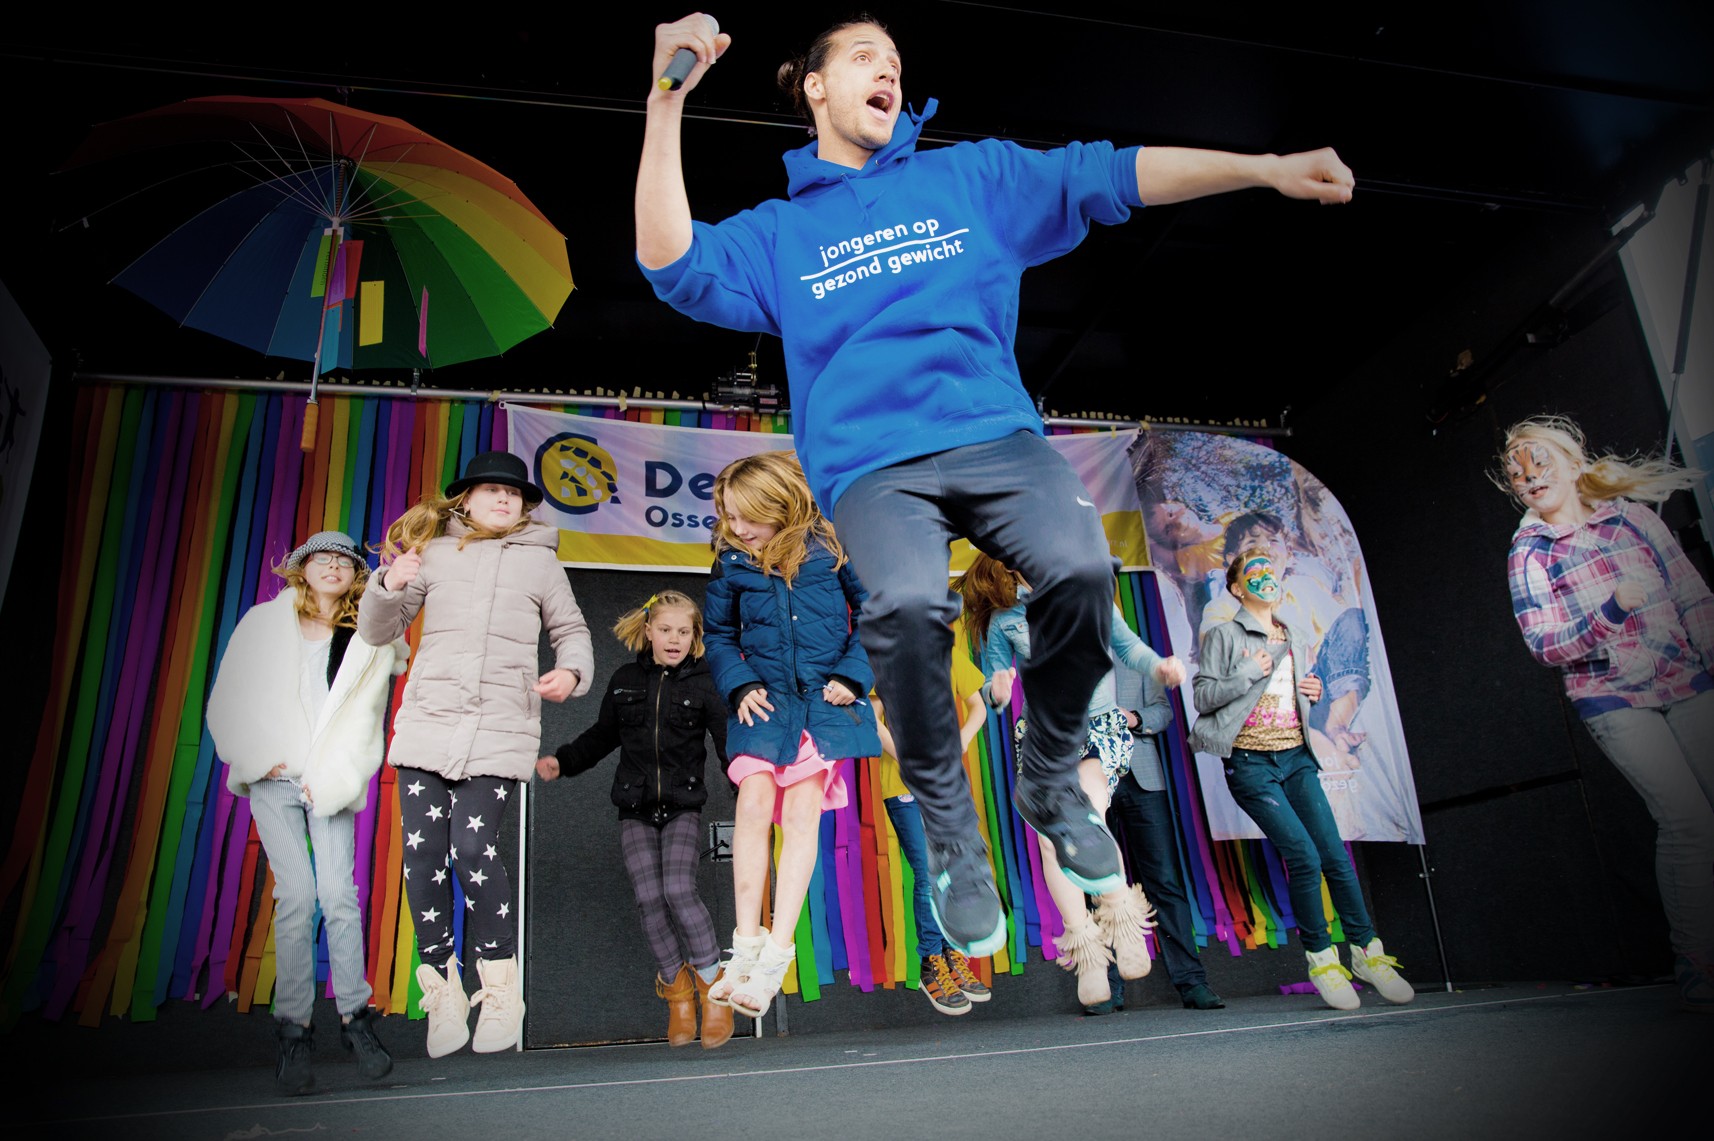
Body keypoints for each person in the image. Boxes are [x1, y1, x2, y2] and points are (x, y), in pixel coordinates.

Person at [635, 12, 1355, 961]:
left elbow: (1116, 171)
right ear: (813, 87)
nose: (887, 71)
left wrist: (1260, 164)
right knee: (901, 602)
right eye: (863, 59)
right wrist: (666, 99)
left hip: (994, 437)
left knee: (1082, 572)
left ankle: (1051, 780)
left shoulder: (969, 177)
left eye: (896, 61)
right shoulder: (782, 231)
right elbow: (670, 263)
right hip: (870, 463)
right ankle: (951, 832)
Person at [359, 451, 593, 1056]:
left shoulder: (542, 565)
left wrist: (570, 671)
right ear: (464, 499)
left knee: (472, 848)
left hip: (500, 729)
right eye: (491, 490)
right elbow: (378, 631)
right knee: (424, 860)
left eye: (513, 494)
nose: (502, 500)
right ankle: (441, 991)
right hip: (429, 728)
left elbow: (571, 631)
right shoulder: (432, 553)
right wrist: (387, 585)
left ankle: (500, 990)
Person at [1494, 415, 1713, 1014]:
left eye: (1537, 463)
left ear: (1569, 462)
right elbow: (1544, 645)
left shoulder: (1634, 520)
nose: (1527, 476)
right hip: (1612, 696)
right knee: (1688, 821)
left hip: (1687, 680)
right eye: (1516, 472)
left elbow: (1694, 598)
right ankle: (1699, 962)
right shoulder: (1528, 552)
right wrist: (1609, 614)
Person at [206, 530, 404, 1095]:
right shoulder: (262, 626)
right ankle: (294, 1031)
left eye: (344, 560)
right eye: (322, 558)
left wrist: (338, 776)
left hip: (329, 782)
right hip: (274, 775)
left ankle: (355, 1020)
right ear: (301, 569)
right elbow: (229, 698)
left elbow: (367, 719)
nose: (334, 567)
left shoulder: (367, 637)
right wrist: (256, 758)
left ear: (354, 575)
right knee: (294, 897)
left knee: (339, 895)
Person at [958, 552, 1189, 1008]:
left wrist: (1158, 666)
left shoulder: (1092, 597)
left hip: (1098, 726)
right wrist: (998, 690)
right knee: (1050, 841)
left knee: (1087, 814)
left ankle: (1123, 922)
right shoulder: (1007, 619)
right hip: (1045, 735)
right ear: (1011, 570)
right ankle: (1086, 950)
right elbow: (992, 680)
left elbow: (1125, 647)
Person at [1189, 547, 1414, 1010]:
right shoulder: (1223, 634)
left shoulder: (1289, 634)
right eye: (1254, 572)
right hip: (1252, 765)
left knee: (1335, 855)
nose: (1265, 576)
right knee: (1304, 856)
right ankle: (1322, 960)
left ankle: (1368, 953)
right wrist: (1250, 670)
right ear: (1236, 588)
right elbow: (1205, 696)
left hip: (1296, 757)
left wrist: (1314, 692)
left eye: (1269, 570)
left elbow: (1291, 699)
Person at [700, 450, 882, 1019]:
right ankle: (745, 944)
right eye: (728, 515)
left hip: (822, 706)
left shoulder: (834, 549)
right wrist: (738, 684)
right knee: (753, 804)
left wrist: (854, 677)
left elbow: (876, 613)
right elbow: (719, 633)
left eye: (746, 516)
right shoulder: (731, 562)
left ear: (779, 506)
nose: (736, 527)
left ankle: (777, 955)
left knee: (801, 816)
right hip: (765, 704)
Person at [536, 591, 735, 1048]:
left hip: (683, 804)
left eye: (684, 632)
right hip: (634, 806)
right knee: (649, 898)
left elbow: (726, 744)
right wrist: (563, 762)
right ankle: (678, 993)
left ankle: (713, 986)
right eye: (665, 630)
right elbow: (603, 735)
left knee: (678, 889)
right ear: (648, 631)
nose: (674, 639)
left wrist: (746, 790)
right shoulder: (626, 679)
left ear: (695, 637)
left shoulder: (706, 682)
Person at [870, 652, 1014, 1015]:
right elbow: (872, 720)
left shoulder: (946, 651)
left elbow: (978, 707)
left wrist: (960, 742)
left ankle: (952, 952)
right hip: (903, 785)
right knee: (927, 873)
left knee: (956, 867)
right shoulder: (880, 657)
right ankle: (930, 961)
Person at [1106, 664, 1226, 1012]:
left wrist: (1133, 718)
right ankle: (1106, 987)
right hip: (1090, 781)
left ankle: (1192, 982)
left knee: (1164, 883)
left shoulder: (1135, 659)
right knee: (1099, 888)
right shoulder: (1064, 656)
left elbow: (1163, 711)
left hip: (1143, 779)